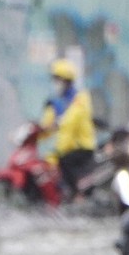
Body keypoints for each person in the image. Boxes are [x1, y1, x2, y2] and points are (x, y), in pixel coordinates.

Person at [39, 59, 97, 199]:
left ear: (67, 81)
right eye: (54, 79)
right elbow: (46, 125)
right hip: (68, 146)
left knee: (64, 161)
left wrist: (58, 150)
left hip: (82, 146)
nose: (56, 83)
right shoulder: (57, 101)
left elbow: (68, 125)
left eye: (58, 79)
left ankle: (77, 195)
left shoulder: (80, 98)